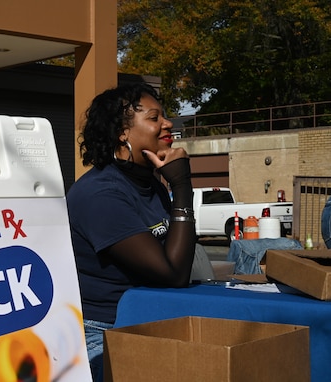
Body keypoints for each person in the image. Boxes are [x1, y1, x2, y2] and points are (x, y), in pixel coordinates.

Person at [66, 82, 197, 381]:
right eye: (154, 118)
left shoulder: (149, 183)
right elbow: (172, 274)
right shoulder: (100, 194)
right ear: (122, 133)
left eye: (164, 116)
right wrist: (181, 187)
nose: (168, 124)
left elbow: (180, 263)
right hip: (103, 330)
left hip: (150, 318)